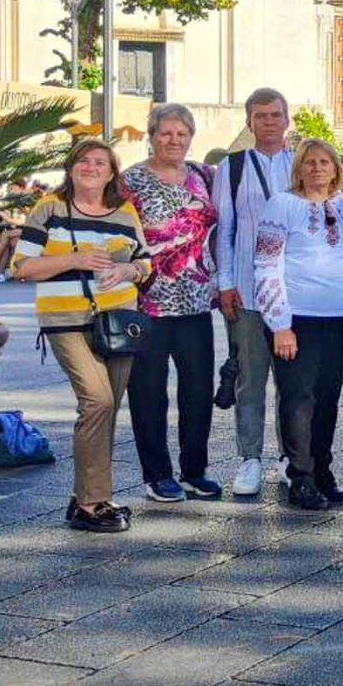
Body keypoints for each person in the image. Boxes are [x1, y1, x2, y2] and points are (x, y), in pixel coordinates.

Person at [13, 140, 153, 533]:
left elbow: (145, 261)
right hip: (67, 320)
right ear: (71, 168)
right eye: (84, 161)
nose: (91, 168)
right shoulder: (50, 209)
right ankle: (91, 503)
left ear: (112, 173)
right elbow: (22, 267)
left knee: (105, 410)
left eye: (100, 163)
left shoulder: (125, 212)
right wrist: (74, 260)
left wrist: (129, 272)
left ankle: (91, 496)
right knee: (97, 400)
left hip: (119, 322)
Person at [255, 138, 343, 510]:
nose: (317, 168)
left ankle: (323, 470)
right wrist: (279, 323)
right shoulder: (282, 205)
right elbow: (267, 264)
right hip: (296, 318)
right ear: (298, 169)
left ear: (336, 167)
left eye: (325, 162)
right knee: (298, 399)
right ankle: (299, 475)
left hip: (341, 317)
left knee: (328, 400)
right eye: (309, 162)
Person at [122, 103, 221, 503]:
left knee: (198, 390)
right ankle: (157, 474)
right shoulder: (130, 181)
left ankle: (194, 470)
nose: (174, 140)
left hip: (196, 300)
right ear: (151, 135)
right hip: (148, 302)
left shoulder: (203, 175)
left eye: (182, 134)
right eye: (166, 133)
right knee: (149, 393)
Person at [213, 87, 293, 497]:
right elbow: (224, 228)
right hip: (246, 289)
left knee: (292, 380)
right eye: (260, 116)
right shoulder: (233, 167)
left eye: (275, 115)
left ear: (287, 119)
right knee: (250, 377)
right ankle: (250, 458)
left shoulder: (302, 163)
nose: (269, 122)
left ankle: (288, 456)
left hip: (293, 293)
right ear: (249, 122)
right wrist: (225, 282)